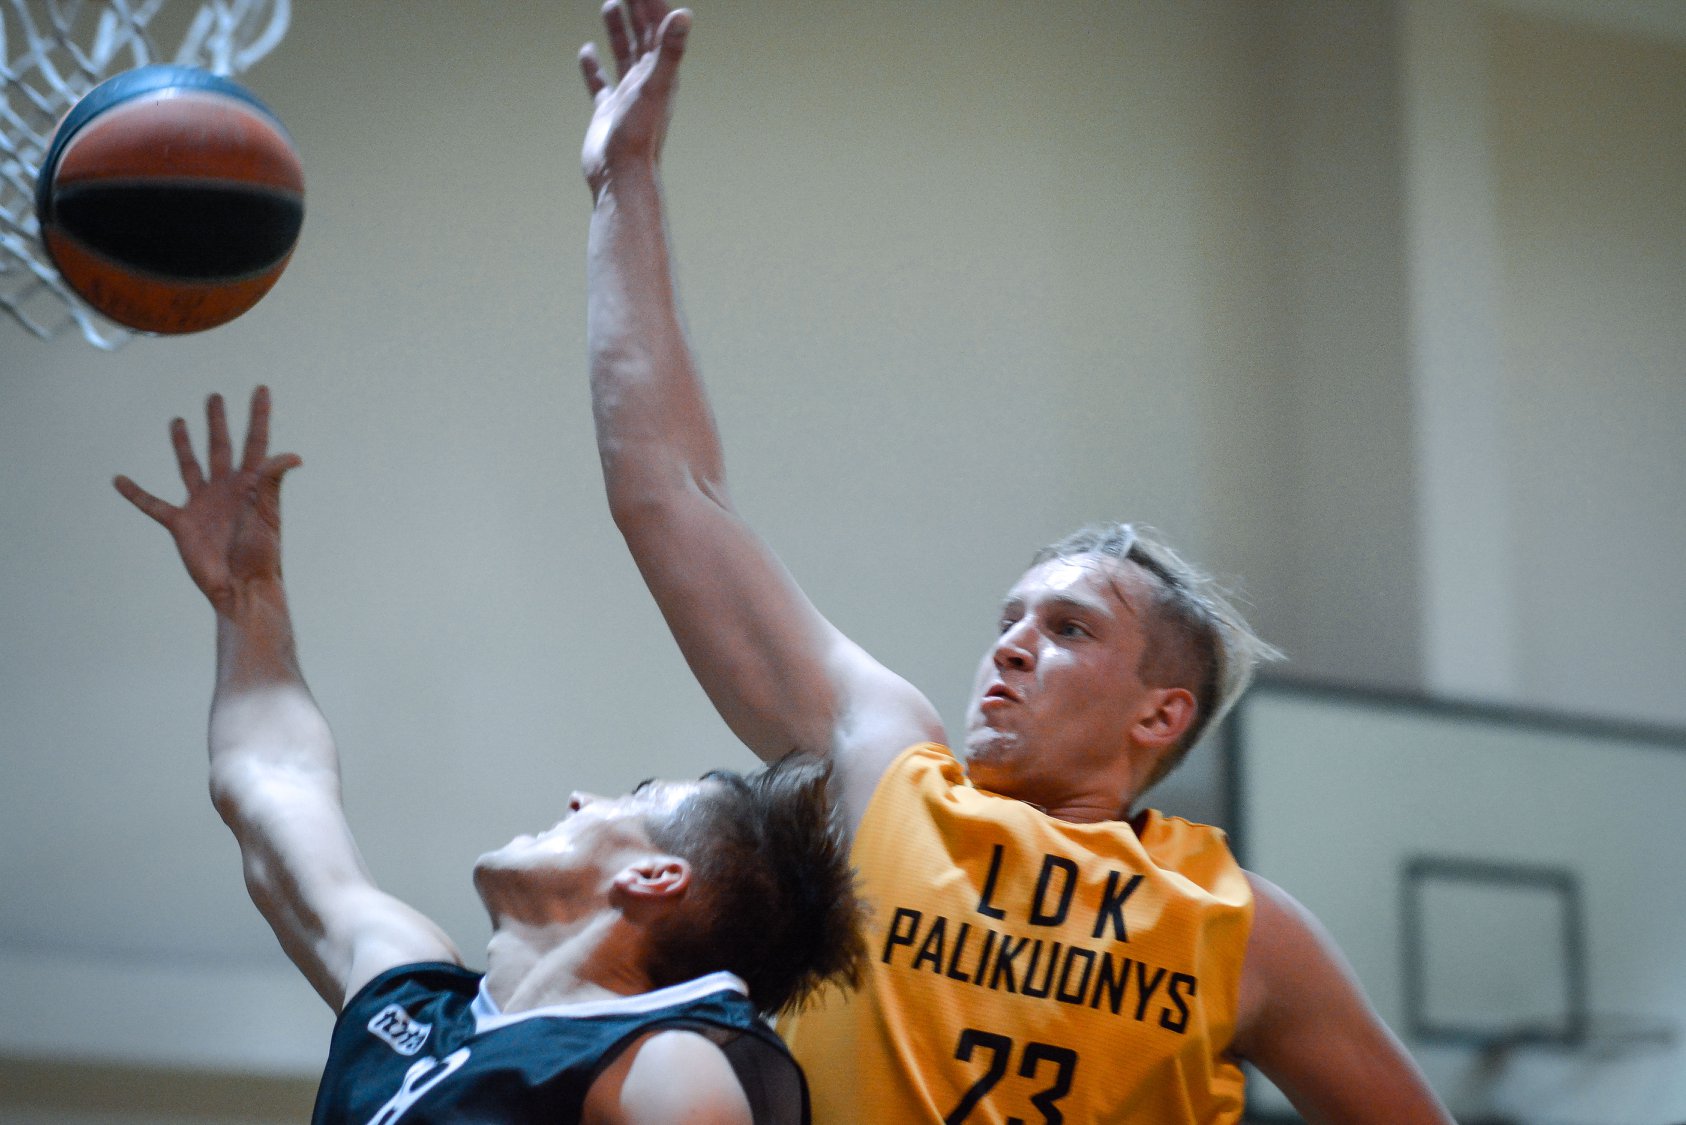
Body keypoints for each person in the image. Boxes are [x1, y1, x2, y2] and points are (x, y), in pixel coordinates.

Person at [576, 3, 1454, 1122]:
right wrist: (626, 185)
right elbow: (671, 496)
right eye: (1011, 619)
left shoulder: (1243, 927)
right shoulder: (889, 778)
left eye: (1069, 628)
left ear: (1161, 714)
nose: (1012, 646)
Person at [113, 386, 865, 1125]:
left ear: (653, 876)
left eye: (632, 799)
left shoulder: (667, 1062)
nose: (581, 798)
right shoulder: (411, 994)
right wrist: (247, 599)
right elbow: (274, 784)